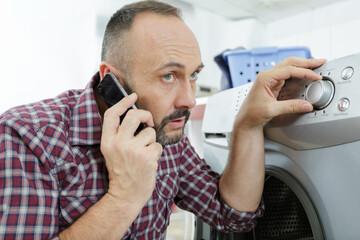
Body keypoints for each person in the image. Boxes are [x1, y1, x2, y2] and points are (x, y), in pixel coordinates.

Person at [0, 1, 325, 239]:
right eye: (169, 75)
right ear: (111, 80)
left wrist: (248, 124)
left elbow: (233, 216)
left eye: (194, 75)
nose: (188, 99)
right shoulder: (25, 138)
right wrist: (124, 196)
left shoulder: (164, 133)